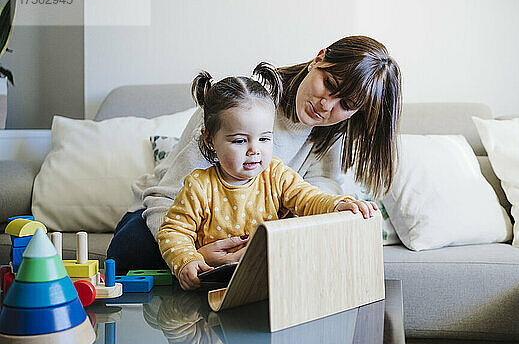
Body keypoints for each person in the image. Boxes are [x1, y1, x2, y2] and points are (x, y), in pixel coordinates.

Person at [107, 35, 402, 274]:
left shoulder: (333, 130)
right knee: (132, 249)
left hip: (244, 231)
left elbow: (312, 200)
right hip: (168, 215)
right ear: (319, 58)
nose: (327, 106)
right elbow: (165, 201)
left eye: (346, 104)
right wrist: (191, 254)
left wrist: (274, 237)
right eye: (329, 85)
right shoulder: (242, 104)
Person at [158, 66, 377, 290]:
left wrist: (338, 204)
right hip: (215, 280)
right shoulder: (199, 185)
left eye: (264, 139)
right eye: (239, 141)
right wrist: (188, 260)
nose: (254, 150)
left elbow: (309, 198)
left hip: (268, 280)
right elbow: (173, 231)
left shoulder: (276, 174)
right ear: (209, 140)